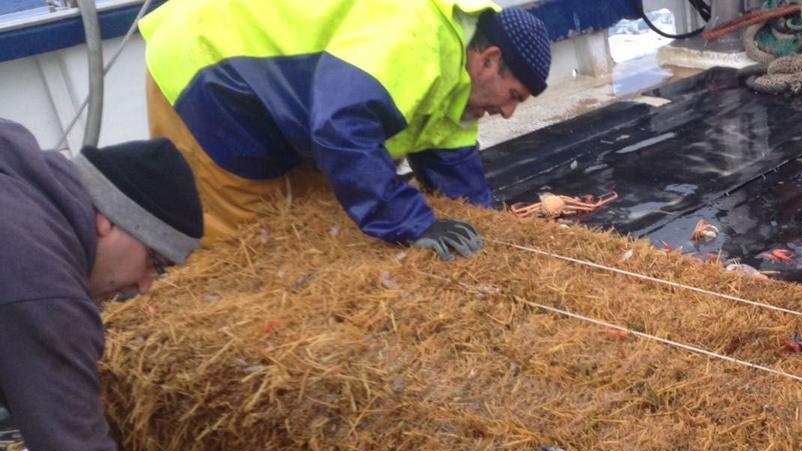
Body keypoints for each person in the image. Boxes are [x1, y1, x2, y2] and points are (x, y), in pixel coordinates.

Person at [0, 118, 324, 451]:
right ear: (106, 219)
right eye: (153, 260)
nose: (145, 285)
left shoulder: (19, 173)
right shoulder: (41, 287)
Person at [138, 0, 552, 261]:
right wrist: (414, 223)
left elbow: (452, 158)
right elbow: (342, 128)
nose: (510, 112)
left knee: (325, 227)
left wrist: (488, 233)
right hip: (210, 66)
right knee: (253, 245)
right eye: (513, 94)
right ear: (489, 60)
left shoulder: (461, 81)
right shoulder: (416, 36)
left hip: (296, 97)